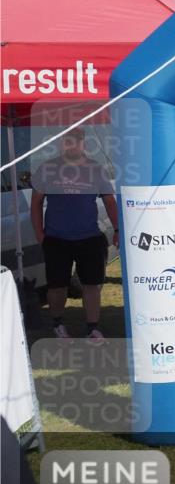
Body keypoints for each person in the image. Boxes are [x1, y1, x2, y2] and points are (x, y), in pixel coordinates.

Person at [30, 127, 118, 342]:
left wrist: (117, 229)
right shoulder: (47, 168)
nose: (71, 145)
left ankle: (92, 329)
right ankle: (58, 325)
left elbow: (109, 201)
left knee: (92, 285)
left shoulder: (96, 169)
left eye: (76, 141)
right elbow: (36, 203)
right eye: (67, 141)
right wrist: (40, 234)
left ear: (83, 144)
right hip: (56, 239)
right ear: (61, 144)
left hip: (89, 237)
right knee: (56, 286)